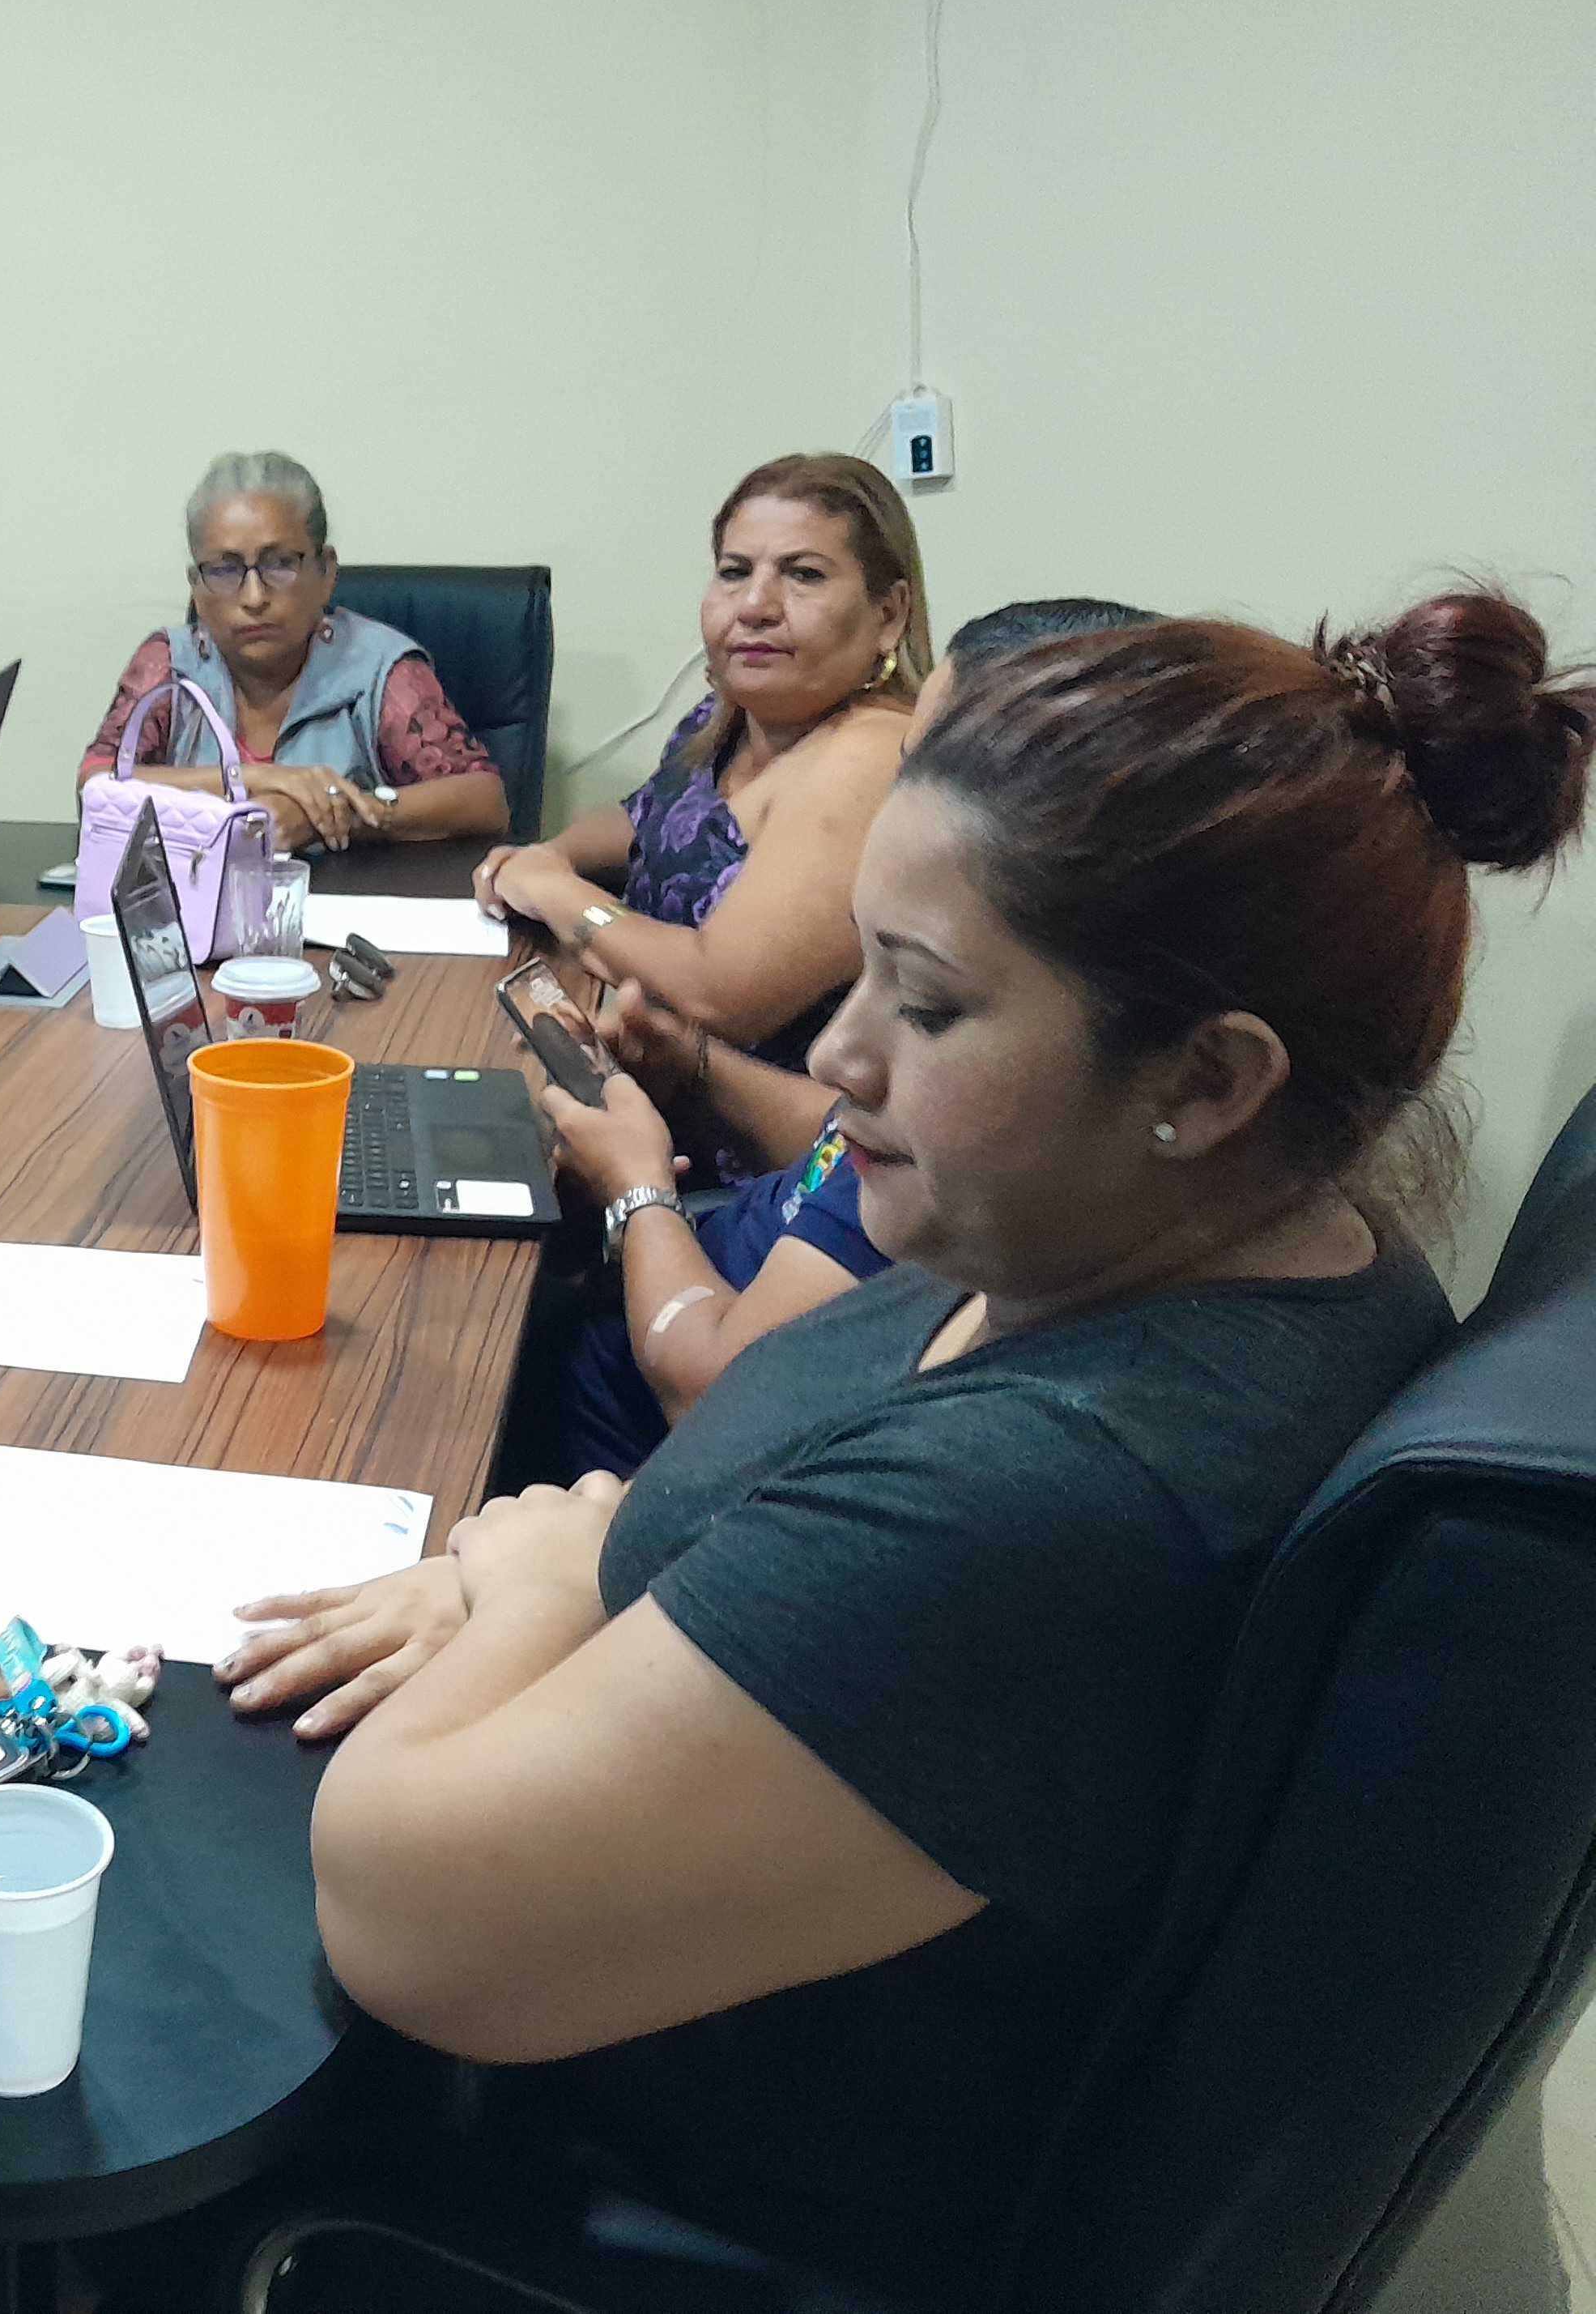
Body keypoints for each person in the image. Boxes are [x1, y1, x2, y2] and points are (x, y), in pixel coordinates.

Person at [225, 591, 1593, 2300]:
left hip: (608, 2174)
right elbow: (796, 1504)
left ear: (1210, 1081)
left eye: (929, 1007)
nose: (841, 1051)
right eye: (863, 960)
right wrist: (577, 1576)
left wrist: (543, 1586)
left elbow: (403, 1917)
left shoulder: (1061, 1501)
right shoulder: (1177, 1238)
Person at [519, 597, 1164, 1483]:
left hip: (606, 1456)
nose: (838, 1056)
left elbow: (714, 1394)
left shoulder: (983, 1180)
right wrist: (695, 1071)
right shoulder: (943, 1120)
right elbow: (839, 1144)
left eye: (929, 1006)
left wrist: (636, 1187)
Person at [474, 454, 933, 1069]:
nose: (756, 605)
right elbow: (644, 819)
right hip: (646, 1076)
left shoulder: (869, 757)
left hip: (763, 1123)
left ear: (889, 614)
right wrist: (551, 853)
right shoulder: (727, 717)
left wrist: (553, 891)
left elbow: (719, 993)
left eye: (803, 575)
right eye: (734, 572)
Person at [79, 450, 511, 855]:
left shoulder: (378, 668)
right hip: (196, 905)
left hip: (346, 905)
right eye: (225, 570)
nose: (254, 597)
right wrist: (255, 779)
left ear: (326, 572)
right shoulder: (170, 663)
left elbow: (484, 800)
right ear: (196, 587)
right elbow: (95, 785)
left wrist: (340, 814)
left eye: (280, 564)